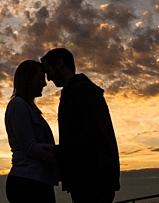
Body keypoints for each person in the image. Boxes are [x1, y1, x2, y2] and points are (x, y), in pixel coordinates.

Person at [40, 48, 120, 203]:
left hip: (93, 180)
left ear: (60, 64)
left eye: (48, 71)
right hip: (90, 179)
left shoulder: (82, 91)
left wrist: (60, 152)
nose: (48, 78)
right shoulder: (77, 92)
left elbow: (95, 134)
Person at [4, 59, 58, 203]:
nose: (44, 83)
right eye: (41, 78)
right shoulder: (18, 106)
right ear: (28, 79)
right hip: (28, 183)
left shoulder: (27, 108)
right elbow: (30, 147)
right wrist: (61, 151)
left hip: (35, 181)